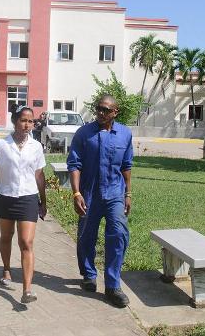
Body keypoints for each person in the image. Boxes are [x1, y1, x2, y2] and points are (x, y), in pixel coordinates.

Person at [67, 94, 133, 308]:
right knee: (87, 235)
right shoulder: (84, 133)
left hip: (114, 193)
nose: (101, 113)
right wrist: (76, 194)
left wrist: (128, 194)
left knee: (118, 234)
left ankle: (113, 286)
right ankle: (88, 273)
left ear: (116, 112)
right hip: (89, 193)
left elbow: (126, 166)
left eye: (106, 110)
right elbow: (74, 164)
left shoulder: (125, 134)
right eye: (99, 109)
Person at [0, 105, 47, 304]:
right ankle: (6, 269)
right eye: (23, 120)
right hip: (5, 197)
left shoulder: (36, 146)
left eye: (31, 121)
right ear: (15, 121)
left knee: (26, 242)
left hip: (28, 198)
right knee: (6, 236)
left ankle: (27, 290)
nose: (27, 125)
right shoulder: (1, 144)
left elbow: (39, 175)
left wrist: (43, 201)